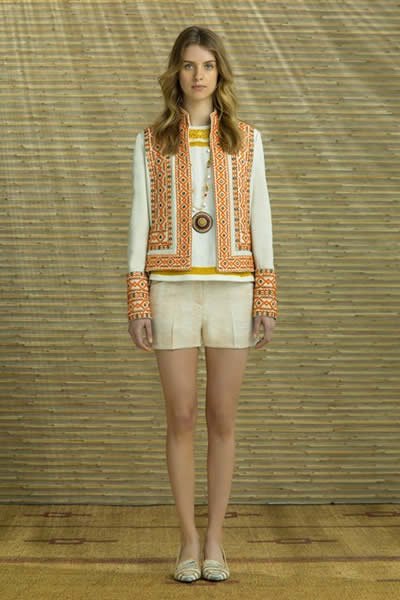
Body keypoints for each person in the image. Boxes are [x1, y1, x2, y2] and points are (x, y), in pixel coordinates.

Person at [126, 25, 278, 583]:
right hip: (170, 288)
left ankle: (216, 539)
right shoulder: (151, 141)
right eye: (189, 65)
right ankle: (187, 540)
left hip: (233, 289)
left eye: (208, 66)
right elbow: (138, 218)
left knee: (221, 417)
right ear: (177, 72)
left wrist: (265, 292)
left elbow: (261, 216)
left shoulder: (247, 140)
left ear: (219, 73)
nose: (198, 76)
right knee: (182, 415)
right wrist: (137, 297)